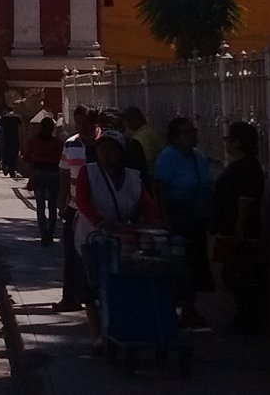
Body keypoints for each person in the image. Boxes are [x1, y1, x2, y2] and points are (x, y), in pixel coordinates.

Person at [74, 129, 161, 354]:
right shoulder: (88, 172)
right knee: (92, 288)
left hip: (124, 240)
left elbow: (148, 207)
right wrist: (101, 222)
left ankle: (122, 327)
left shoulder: (133, 178)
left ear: (121, 152)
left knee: (121, 284)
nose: (106, 153)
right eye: (102, 148)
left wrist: (150, 224)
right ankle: (97, 335)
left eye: (112, 149)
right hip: (91, 238)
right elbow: (82, 201)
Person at [154, 115, 215, 327]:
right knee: (179, 264)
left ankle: (190, 308)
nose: (191, 136)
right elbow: (161, 189)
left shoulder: (198, 157)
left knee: (195, 264)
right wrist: (166, 218)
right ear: (175, 137)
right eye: (185, 133)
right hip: (179, 215)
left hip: (197, 217)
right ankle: (173, 308)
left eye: (193, 131)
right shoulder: (168, 158)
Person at [212, 120, 267, 334]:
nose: (226, 143)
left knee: (238, 276)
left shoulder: (246, 168)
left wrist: (239, 232)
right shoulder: (243, 167)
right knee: (233, 275)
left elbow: (245, 201)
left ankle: (247, 319)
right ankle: (244, 317)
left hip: (241, 234)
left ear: (236, 143)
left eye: (228, 139)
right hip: (233, 231)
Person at [56, 106, 97, 312]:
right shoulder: (71, 144)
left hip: (97, 210)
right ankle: (70, 298)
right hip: (74, 207)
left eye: (84, 122)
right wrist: (62, 202)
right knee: (71, 255)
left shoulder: (103, 144)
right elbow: (64, 175)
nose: (80, 126)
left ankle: (93, 298)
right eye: (77, 121)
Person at [23, 117, 66, 245]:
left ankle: (44, 234)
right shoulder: (57, 143)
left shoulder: (34, 141)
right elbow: (63, 160)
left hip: (38, 174)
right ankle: (50, 234)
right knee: (52, 206)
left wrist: (35, 163)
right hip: (53, 174)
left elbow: (26, 157)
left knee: (40, 206)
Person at [123, 106, 162, 182]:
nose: (126, 126)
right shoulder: (150, 131)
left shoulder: (140, 138)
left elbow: (146, 161)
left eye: (127, 122)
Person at [0, 108, 23, 179]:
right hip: (15, 140)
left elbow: (0, 129)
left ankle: (6, 166)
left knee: (6, 154)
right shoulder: (17, 118)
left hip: (6, 139)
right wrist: (21, 139)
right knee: (14, 156)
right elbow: (20, 129)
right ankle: (12, 170)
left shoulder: (3, 118)